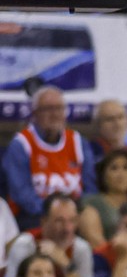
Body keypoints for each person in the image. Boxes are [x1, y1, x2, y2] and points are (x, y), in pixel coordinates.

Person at [2, 85, 96, 226]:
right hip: (36, 217)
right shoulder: (21, 144)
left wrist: (73, 212)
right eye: (48, 109)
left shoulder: (79, 142)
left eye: (59, 108)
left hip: (75, 215)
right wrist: (56, 213)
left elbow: (90, 189)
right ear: (35, 114)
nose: (55, 114)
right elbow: (21, 194)